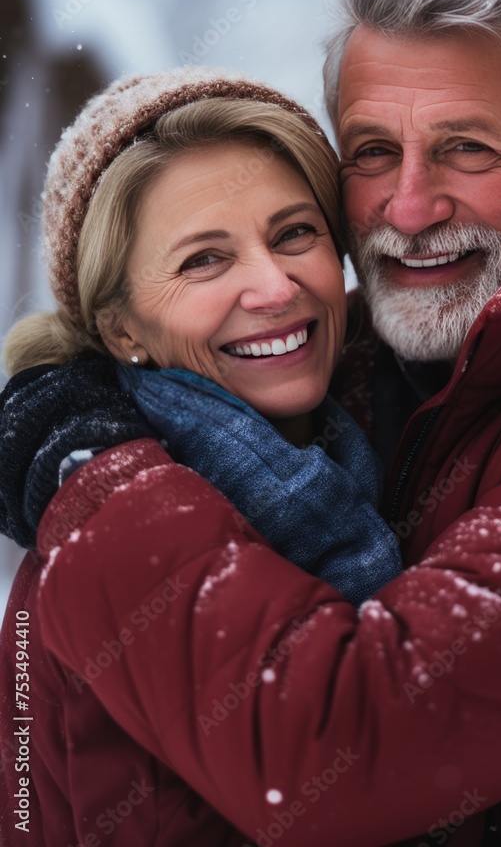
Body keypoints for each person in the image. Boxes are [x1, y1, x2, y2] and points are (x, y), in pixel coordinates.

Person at [2, 0, 501, 846]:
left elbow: (346, 753)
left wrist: (94, 476)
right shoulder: (320, 396)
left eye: (467, 147)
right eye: (370, 152)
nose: (407, 207)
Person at [0, 68, 402, 845]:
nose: (273, 286)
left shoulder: (372, 445)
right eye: (202, 261)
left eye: (293, 233)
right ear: (121, 329)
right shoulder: (101, 549)